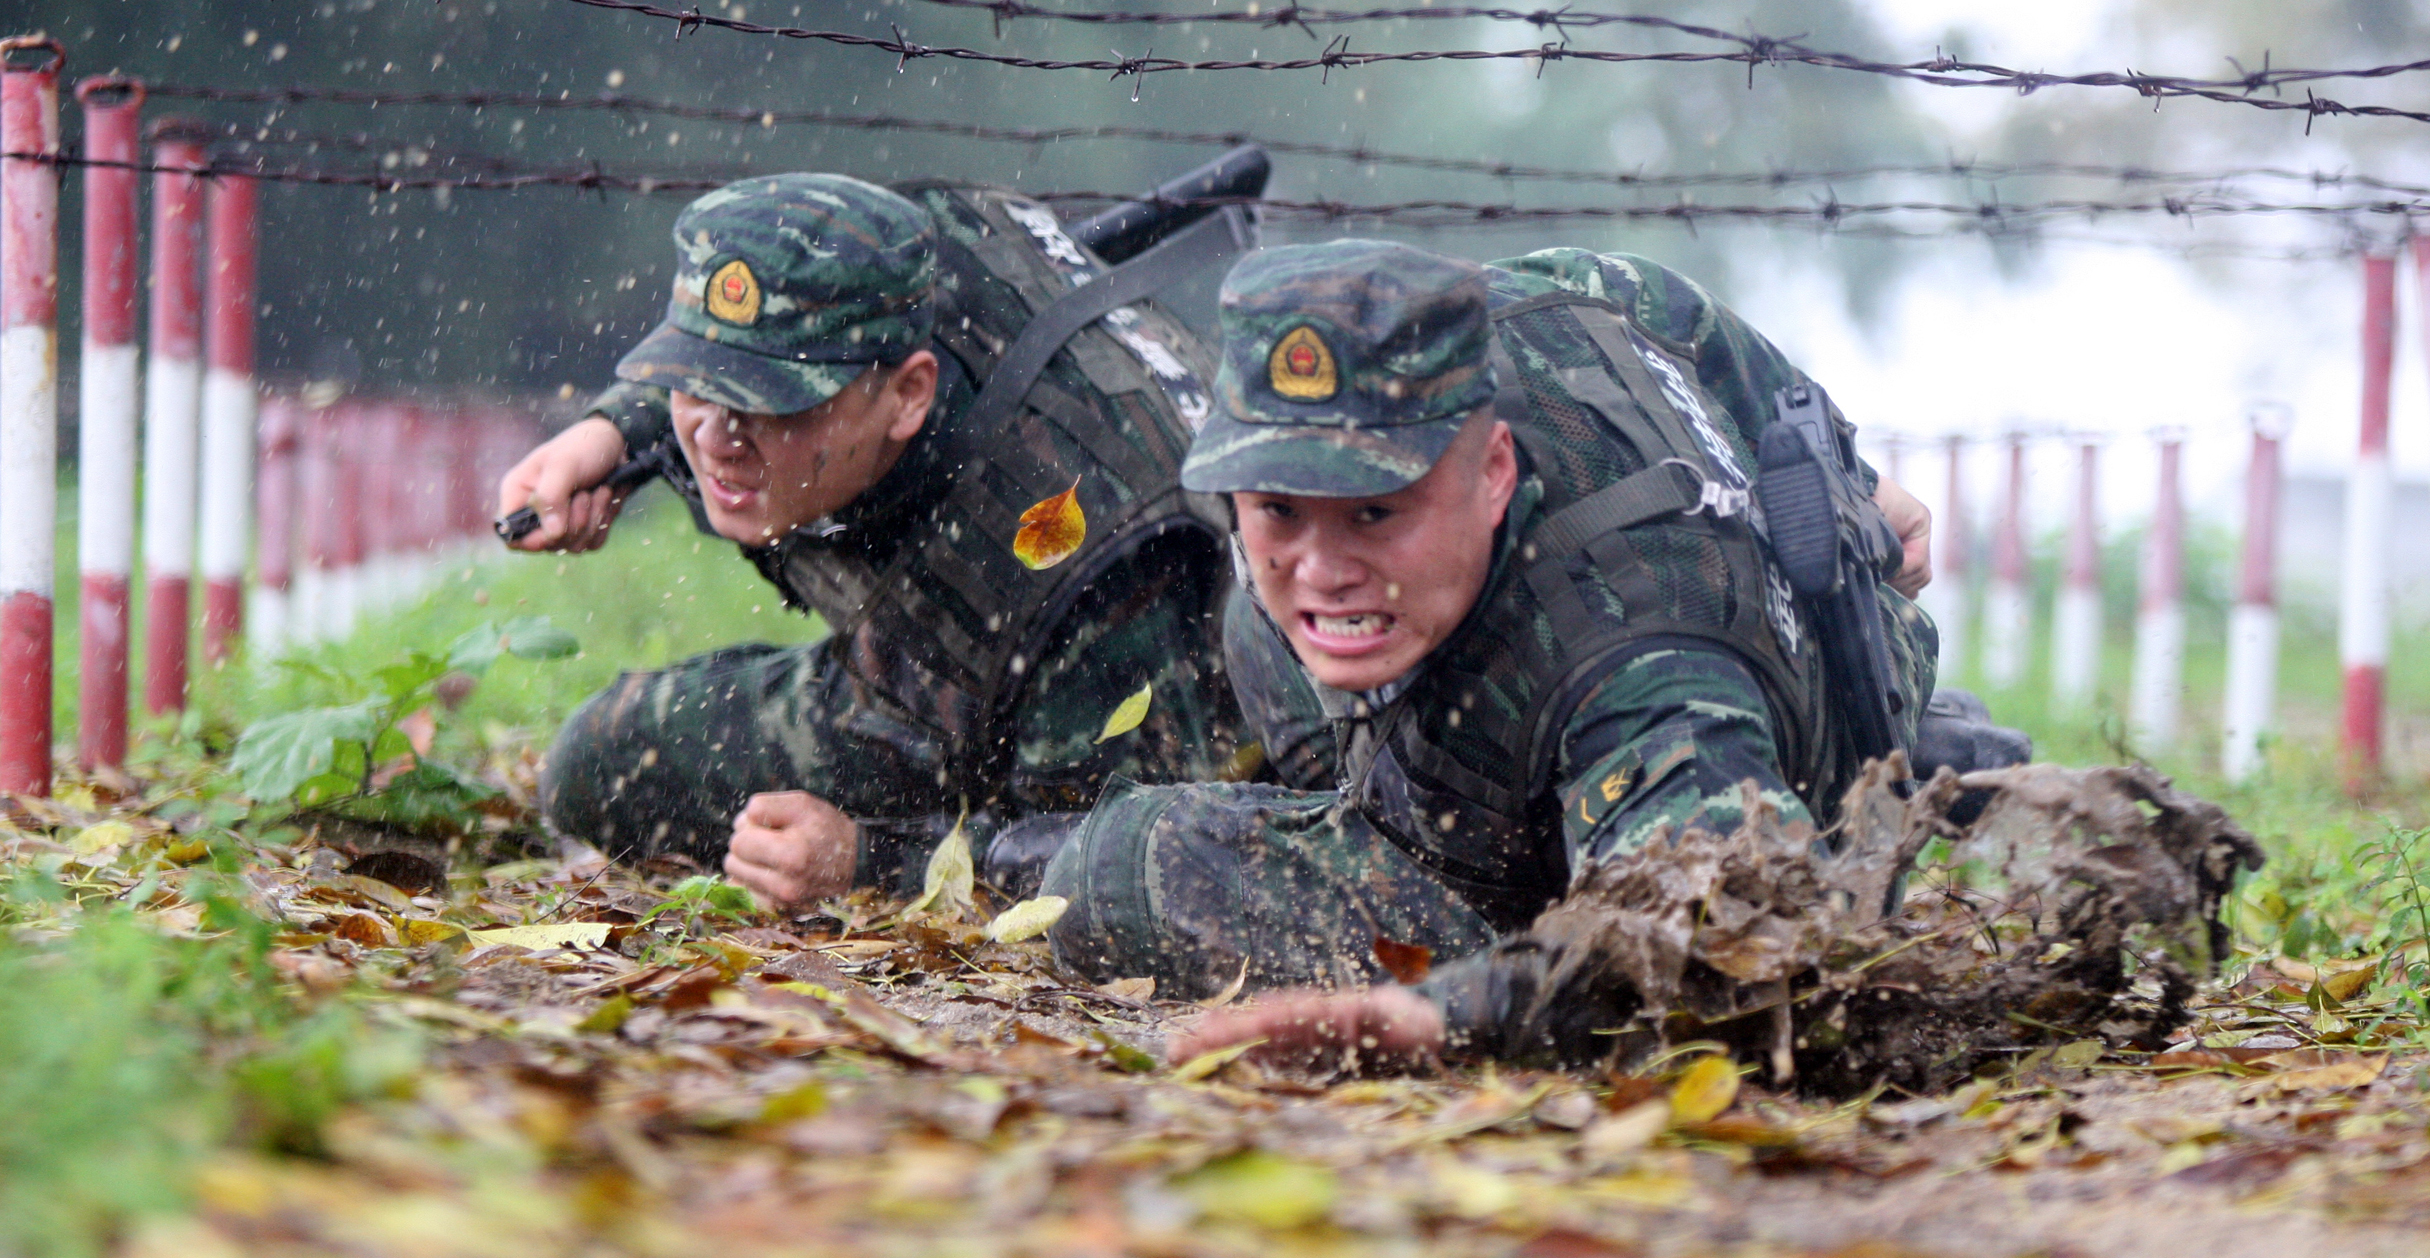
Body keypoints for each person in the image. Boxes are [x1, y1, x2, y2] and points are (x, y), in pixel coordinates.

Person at [1040, 239, 2010, 1063]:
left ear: (1492, 470)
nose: (1321, 566)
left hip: (1677, 719)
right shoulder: (1468, 329)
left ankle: (1840, 782)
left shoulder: (1636, 664)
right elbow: (1652, 297)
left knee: (1122, 867)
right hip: (1584, 694)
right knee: (1257, 621)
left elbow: (1714, 943)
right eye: (1278, 507)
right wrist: (1847, 465)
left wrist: (1448, 1011)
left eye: (1376, 510)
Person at [502, 173, 1258, 905]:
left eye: (772, 405)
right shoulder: (907, 247)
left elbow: (1132, 858)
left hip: (1093, 720)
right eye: (693, 385)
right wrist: (610, 430)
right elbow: (738, 335)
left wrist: (871, 862)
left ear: (907, 397)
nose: (716, 438)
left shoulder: (1078, 556)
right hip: (938, 674)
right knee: (603, 764)